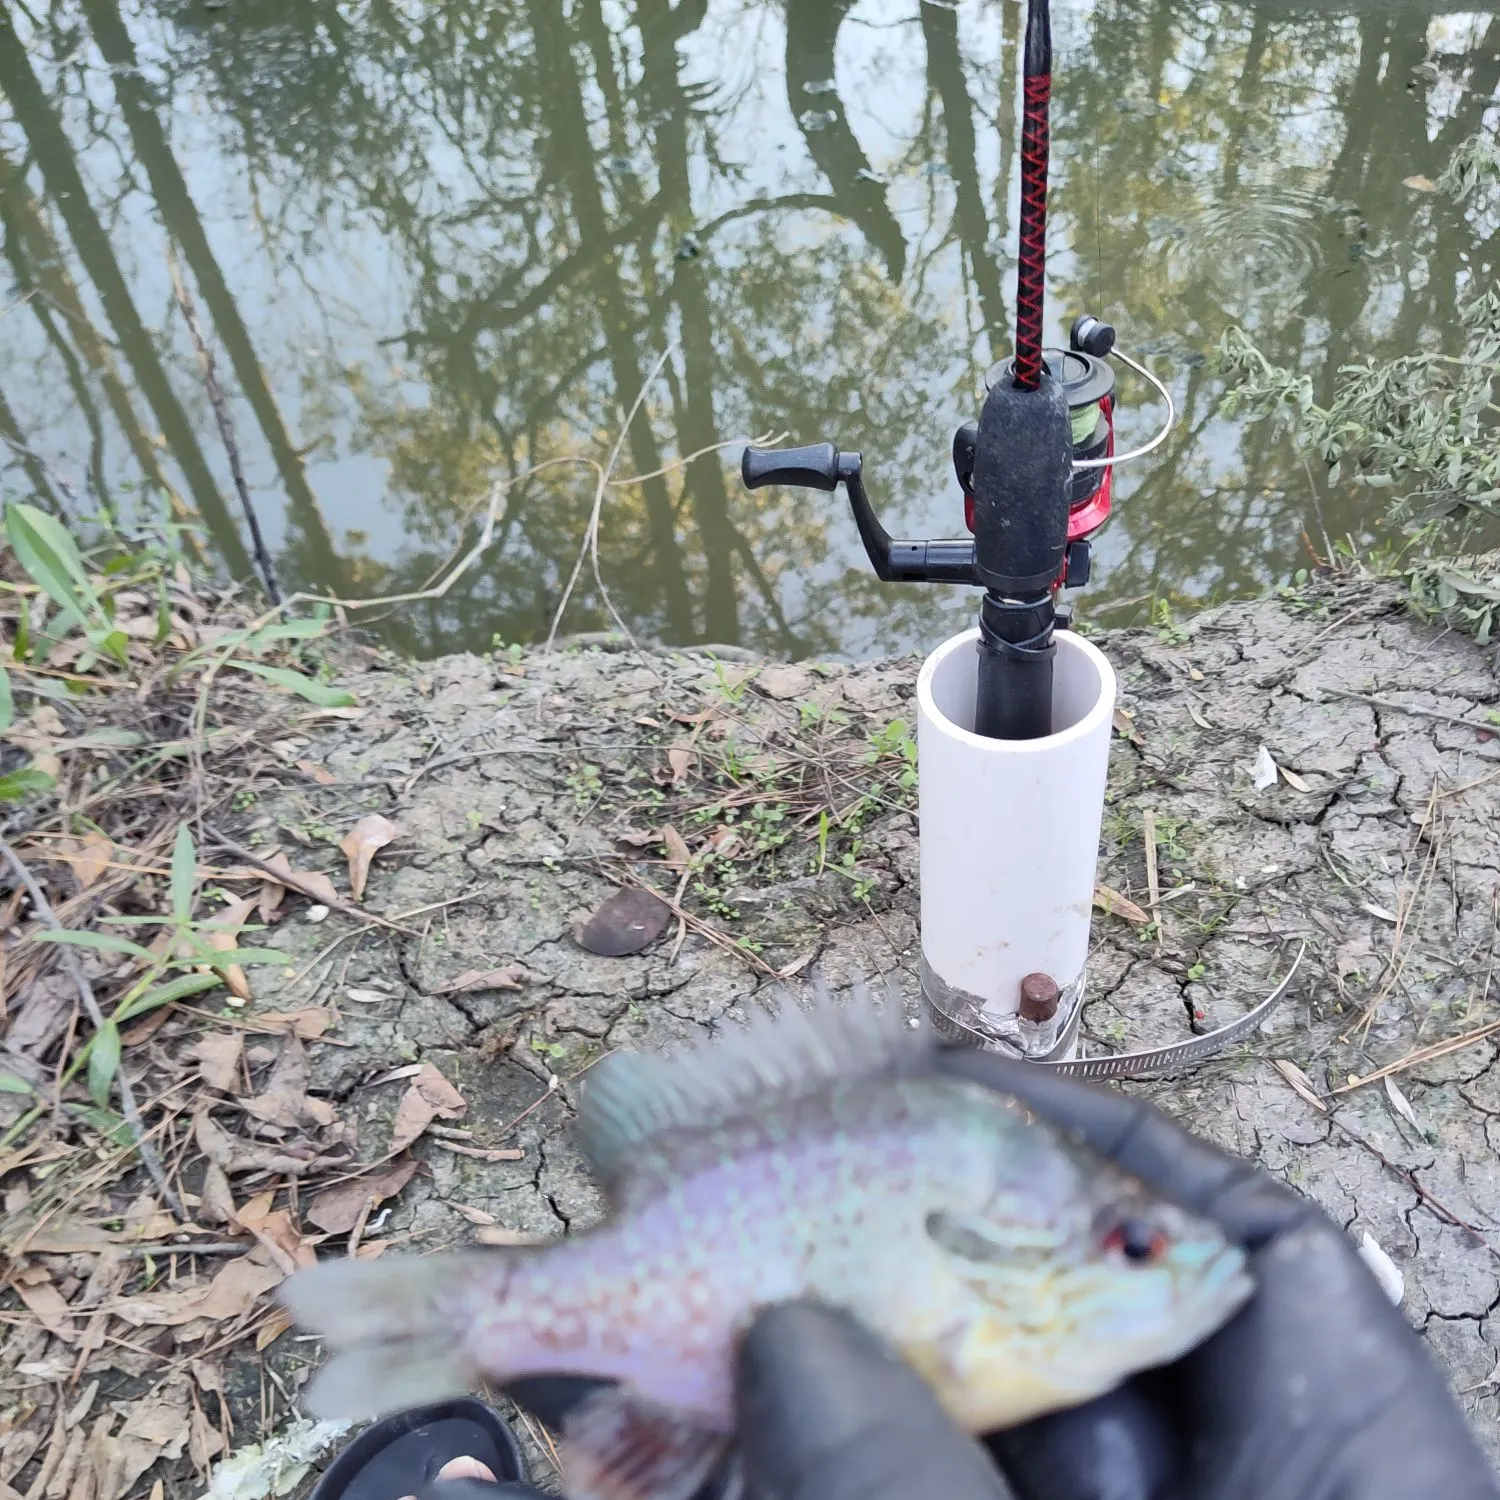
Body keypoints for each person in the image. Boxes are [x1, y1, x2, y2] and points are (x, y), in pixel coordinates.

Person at [311, 1045, 1500, 1500]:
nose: (1182, 1265)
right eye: (1134, 1245)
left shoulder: (1023, 1281)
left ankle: (461, 1498)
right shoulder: (1011, 1314)